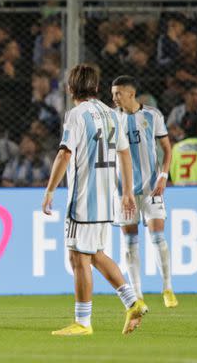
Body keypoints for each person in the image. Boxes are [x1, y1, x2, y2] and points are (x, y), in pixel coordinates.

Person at [41, 64, 144, 336]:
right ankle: (132, 301)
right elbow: (124, 153)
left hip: (83, 198)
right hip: (105, 197)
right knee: (95, 254)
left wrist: (50, 190)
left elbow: (64, 154)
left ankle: (83, 322)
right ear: (97, 88)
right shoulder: (112, 115)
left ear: (70, 88)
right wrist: (126, 192)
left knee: (78, 258)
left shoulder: (76, 115)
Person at [111, 76, 177, 310]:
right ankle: (137, 295)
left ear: (131, 93)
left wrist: (163, 176)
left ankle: (167, 288)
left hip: (151, 187)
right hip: (123, 190)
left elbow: (167, 149)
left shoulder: (152, 115)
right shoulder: (113, 118)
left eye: (118, 93)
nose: (114, 97)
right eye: (113, 93)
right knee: (130, 242)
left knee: (158, 235)